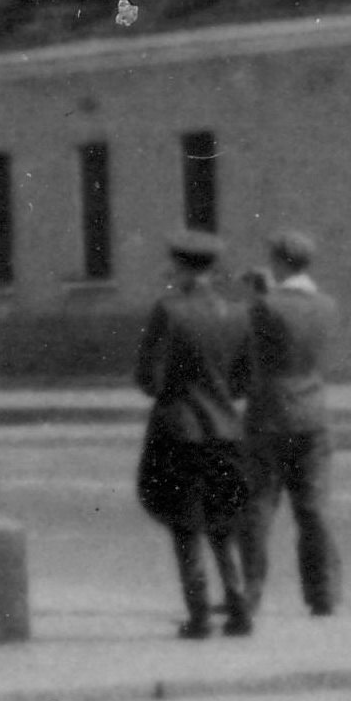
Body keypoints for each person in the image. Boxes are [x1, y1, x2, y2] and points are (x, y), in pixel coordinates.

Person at [131, 232, 260, 638]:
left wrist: (172, 392)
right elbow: (244, 381)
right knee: (223, 521)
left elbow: (147, 378)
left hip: (180, 430)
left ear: (180, 266)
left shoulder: (169, 311)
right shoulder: (238, 313)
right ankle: (239, 608)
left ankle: (200, 614)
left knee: (185, 522)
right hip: (226, 430)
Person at [238, 232, 339, 621]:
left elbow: (249, 357)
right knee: (313, 509)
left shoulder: (264, 306)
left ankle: (250, 594)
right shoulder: (327, 305)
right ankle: (323, 594)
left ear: (279, 262)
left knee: (258, 507)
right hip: (313, 412)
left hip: (269, 414)